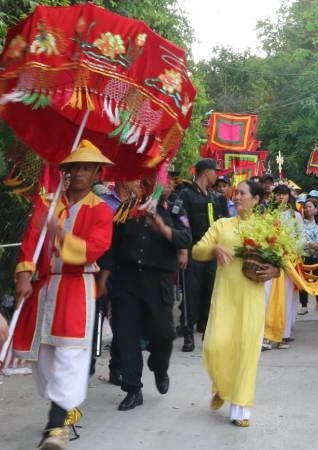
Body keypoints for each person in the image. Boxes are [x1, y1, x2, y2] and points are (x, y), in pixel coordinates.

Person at [13, 140, 113, 449]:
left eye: (86, 167)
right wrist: (25, 275)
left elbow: (95, 247)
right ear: (66, 171)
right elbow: (31, 240)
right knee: (43, 359)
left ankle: (55, 427)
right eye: (75, 167)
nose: (80, 172)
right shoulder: (47, 204)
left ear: (97, 172)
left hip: (76, 287)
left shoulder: (101, 212)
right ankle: (64, 404)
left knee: (69, 355)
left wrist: (62, 235)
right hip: (45, 288)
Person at [192, 180, 279, 427]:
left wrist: (274, 270)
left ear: (256, 199)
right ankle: (222, 385)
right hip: (224, 297)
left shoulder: (265, 228)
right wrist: (215, 248)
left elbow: (282, 262)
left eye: (242, 193)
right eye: (235, 193)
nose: (236, 196)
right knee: (215, 345)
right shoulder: (222, 225)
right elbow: (197, 250)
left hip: (251, 297)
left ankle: (241, 408)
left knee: (247, 350)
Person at [99, 179, 191, 411]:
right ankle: (133, 389)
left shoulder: (173, 210)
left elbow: (185, 238)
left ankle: (159, 367)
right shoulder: (125, 210)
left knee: (164, 334)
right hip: (127, 281)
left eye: (155, 180)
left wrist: (164, 229)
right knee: (126, 335)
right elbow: (112, 248)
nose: (147, 185)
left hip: (157, 281)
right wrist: (103, 280)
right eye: (144, 180)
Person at [178, 158, 229, 352]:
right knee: (191, 293)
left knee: (210, 292)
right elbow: (181, 221)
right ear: (205, 172)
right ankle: (188, 334)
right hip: (193, 251)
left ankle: (206, 329)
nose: (216, 175)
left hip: (213, 252)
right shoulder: (186, 194)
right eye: (214, 171)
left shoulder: (215, 198)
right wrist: (182, 249)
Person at [264, 184, 304, 349]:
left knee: (287, 298)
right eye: (278, 194)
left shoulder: (295, 216)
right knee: (267, 297)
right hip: (271, 260)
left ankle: (284, 335)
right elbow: (263, 235)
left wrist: (290, 248)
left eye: (284, 194)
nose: (281, 197)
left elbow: (301, 237)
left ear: (289, 196)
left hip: (288, 262)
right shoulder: (268, 215)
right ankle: (266, 334)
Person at [299, 199, 318, 316]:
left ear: (316, 209)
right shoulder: (301, 223)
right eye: (306, 207)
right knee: (304, 280)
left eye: (310, 207)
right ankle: (303, 305)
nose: (308, 209)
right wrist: (309, 244)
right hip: (305, 255)